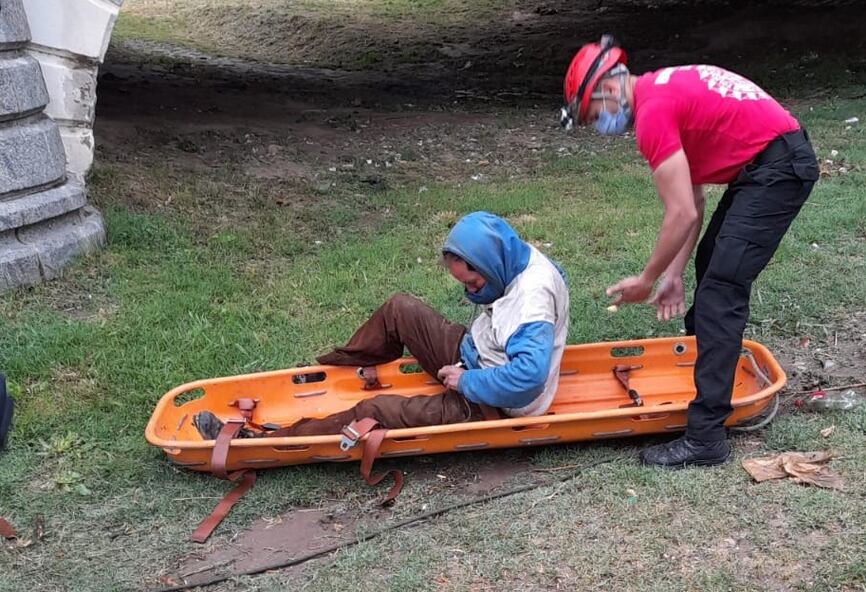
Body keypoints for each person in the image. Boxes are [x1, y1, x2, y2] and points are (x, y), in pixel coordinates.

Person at [561, 35, 818, 469]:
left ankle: (706, 438)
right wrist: (675, 273)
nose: (600, 124)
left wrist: (646, 279)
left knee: (721, 291)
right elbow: (694, 202)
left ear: (607, 88)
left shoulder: (652, 113)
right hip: (768, 162)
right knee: (709, 264)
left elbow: (679, 212)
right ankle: (707, 378)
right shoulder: (661, 90)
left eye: (593, 114)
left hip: (777, 169)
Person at [193, 211, 569, 440]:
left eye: (473, 284)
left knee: (374, 411)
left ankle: (255, 440)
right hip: (480, 354)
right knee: (399, 309)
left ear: (490, 265)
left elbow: (528, 379)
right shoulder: (517, 255)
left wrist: (465, 382)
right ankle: (330, 371)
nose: (470, 292)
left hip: (497, 403)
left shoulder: (531, 302)